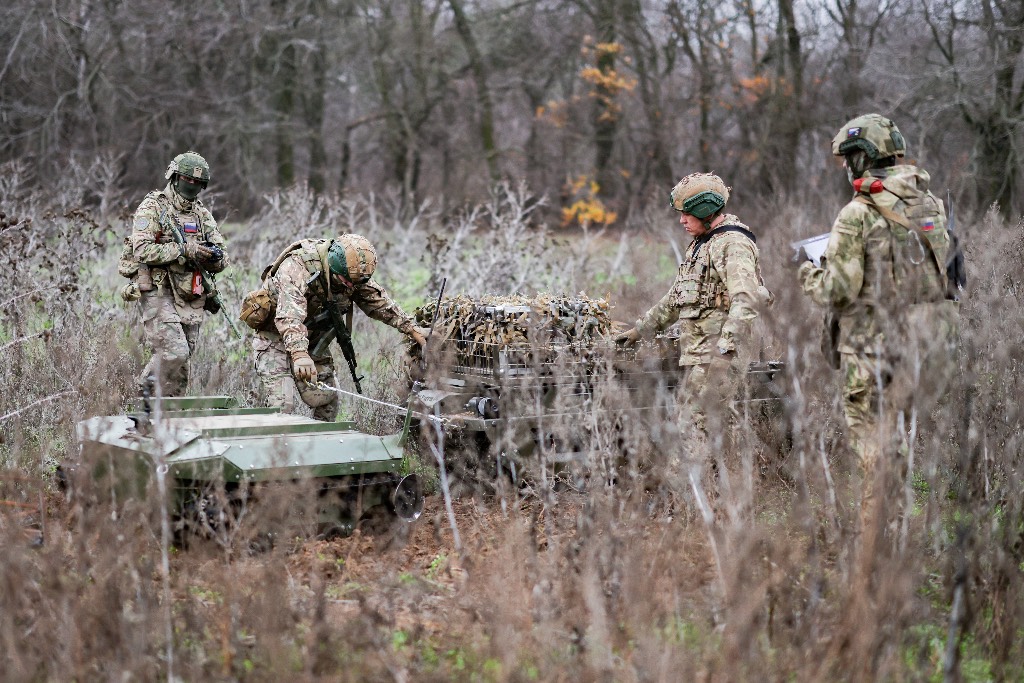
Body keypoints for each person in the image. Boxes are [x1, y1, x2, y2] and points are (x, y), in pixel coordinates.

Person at [794, 113, 959, 542]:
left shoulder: (858, 213)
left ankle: (877, 539)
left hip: (868, 344)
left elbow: (839, 290)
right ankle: (898, 529)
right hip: (922, 340)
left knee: (872, 444)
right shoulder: (929, 204)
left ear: (860, 158)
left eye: (847, 158)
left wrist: (807, 272)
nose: (844, 166)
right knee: (897, 434)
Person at [616, 172, 770, 436]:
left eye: (687, 214)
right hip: (701, 356)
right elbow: (677, 298)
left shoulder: (732, 243)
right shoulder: (704, 244)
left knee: (693, 429)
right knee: (704, 427)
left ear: (704, 210)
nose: (682, 220)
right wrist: (639, 331)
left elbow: (746, 300)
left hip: (718, 358)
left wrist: (725, 352)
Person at [251, 234, 428, 422]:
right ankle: (273, 440)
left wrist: (412, 329)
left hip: (312, 341)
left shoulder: (353, 274)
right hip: (274, 339)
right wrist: (299, 354)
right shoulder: (297, 267)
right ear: (334, 267)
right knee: (281, 405)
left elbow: (378, 302)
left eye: (355, 283)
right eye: (347, 282)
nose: (351, 286)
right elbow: (289, 316)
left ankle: (321, 440)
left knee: (327, 402)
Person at [121, 150, 228, 397]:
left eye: (197, 182)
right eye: (187, 179)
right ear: (175, 177)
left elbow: (223, 256)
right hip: (158, 289)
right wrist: (183, 249)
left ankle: (168, 414)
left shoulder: (201, 214)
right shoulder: (153, 207)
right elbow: (142, 250)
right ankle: (142, 396)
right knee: (174, 353)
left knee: (182, 363)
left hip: (189, 292)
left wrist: (213, 257)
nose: (192, 185)